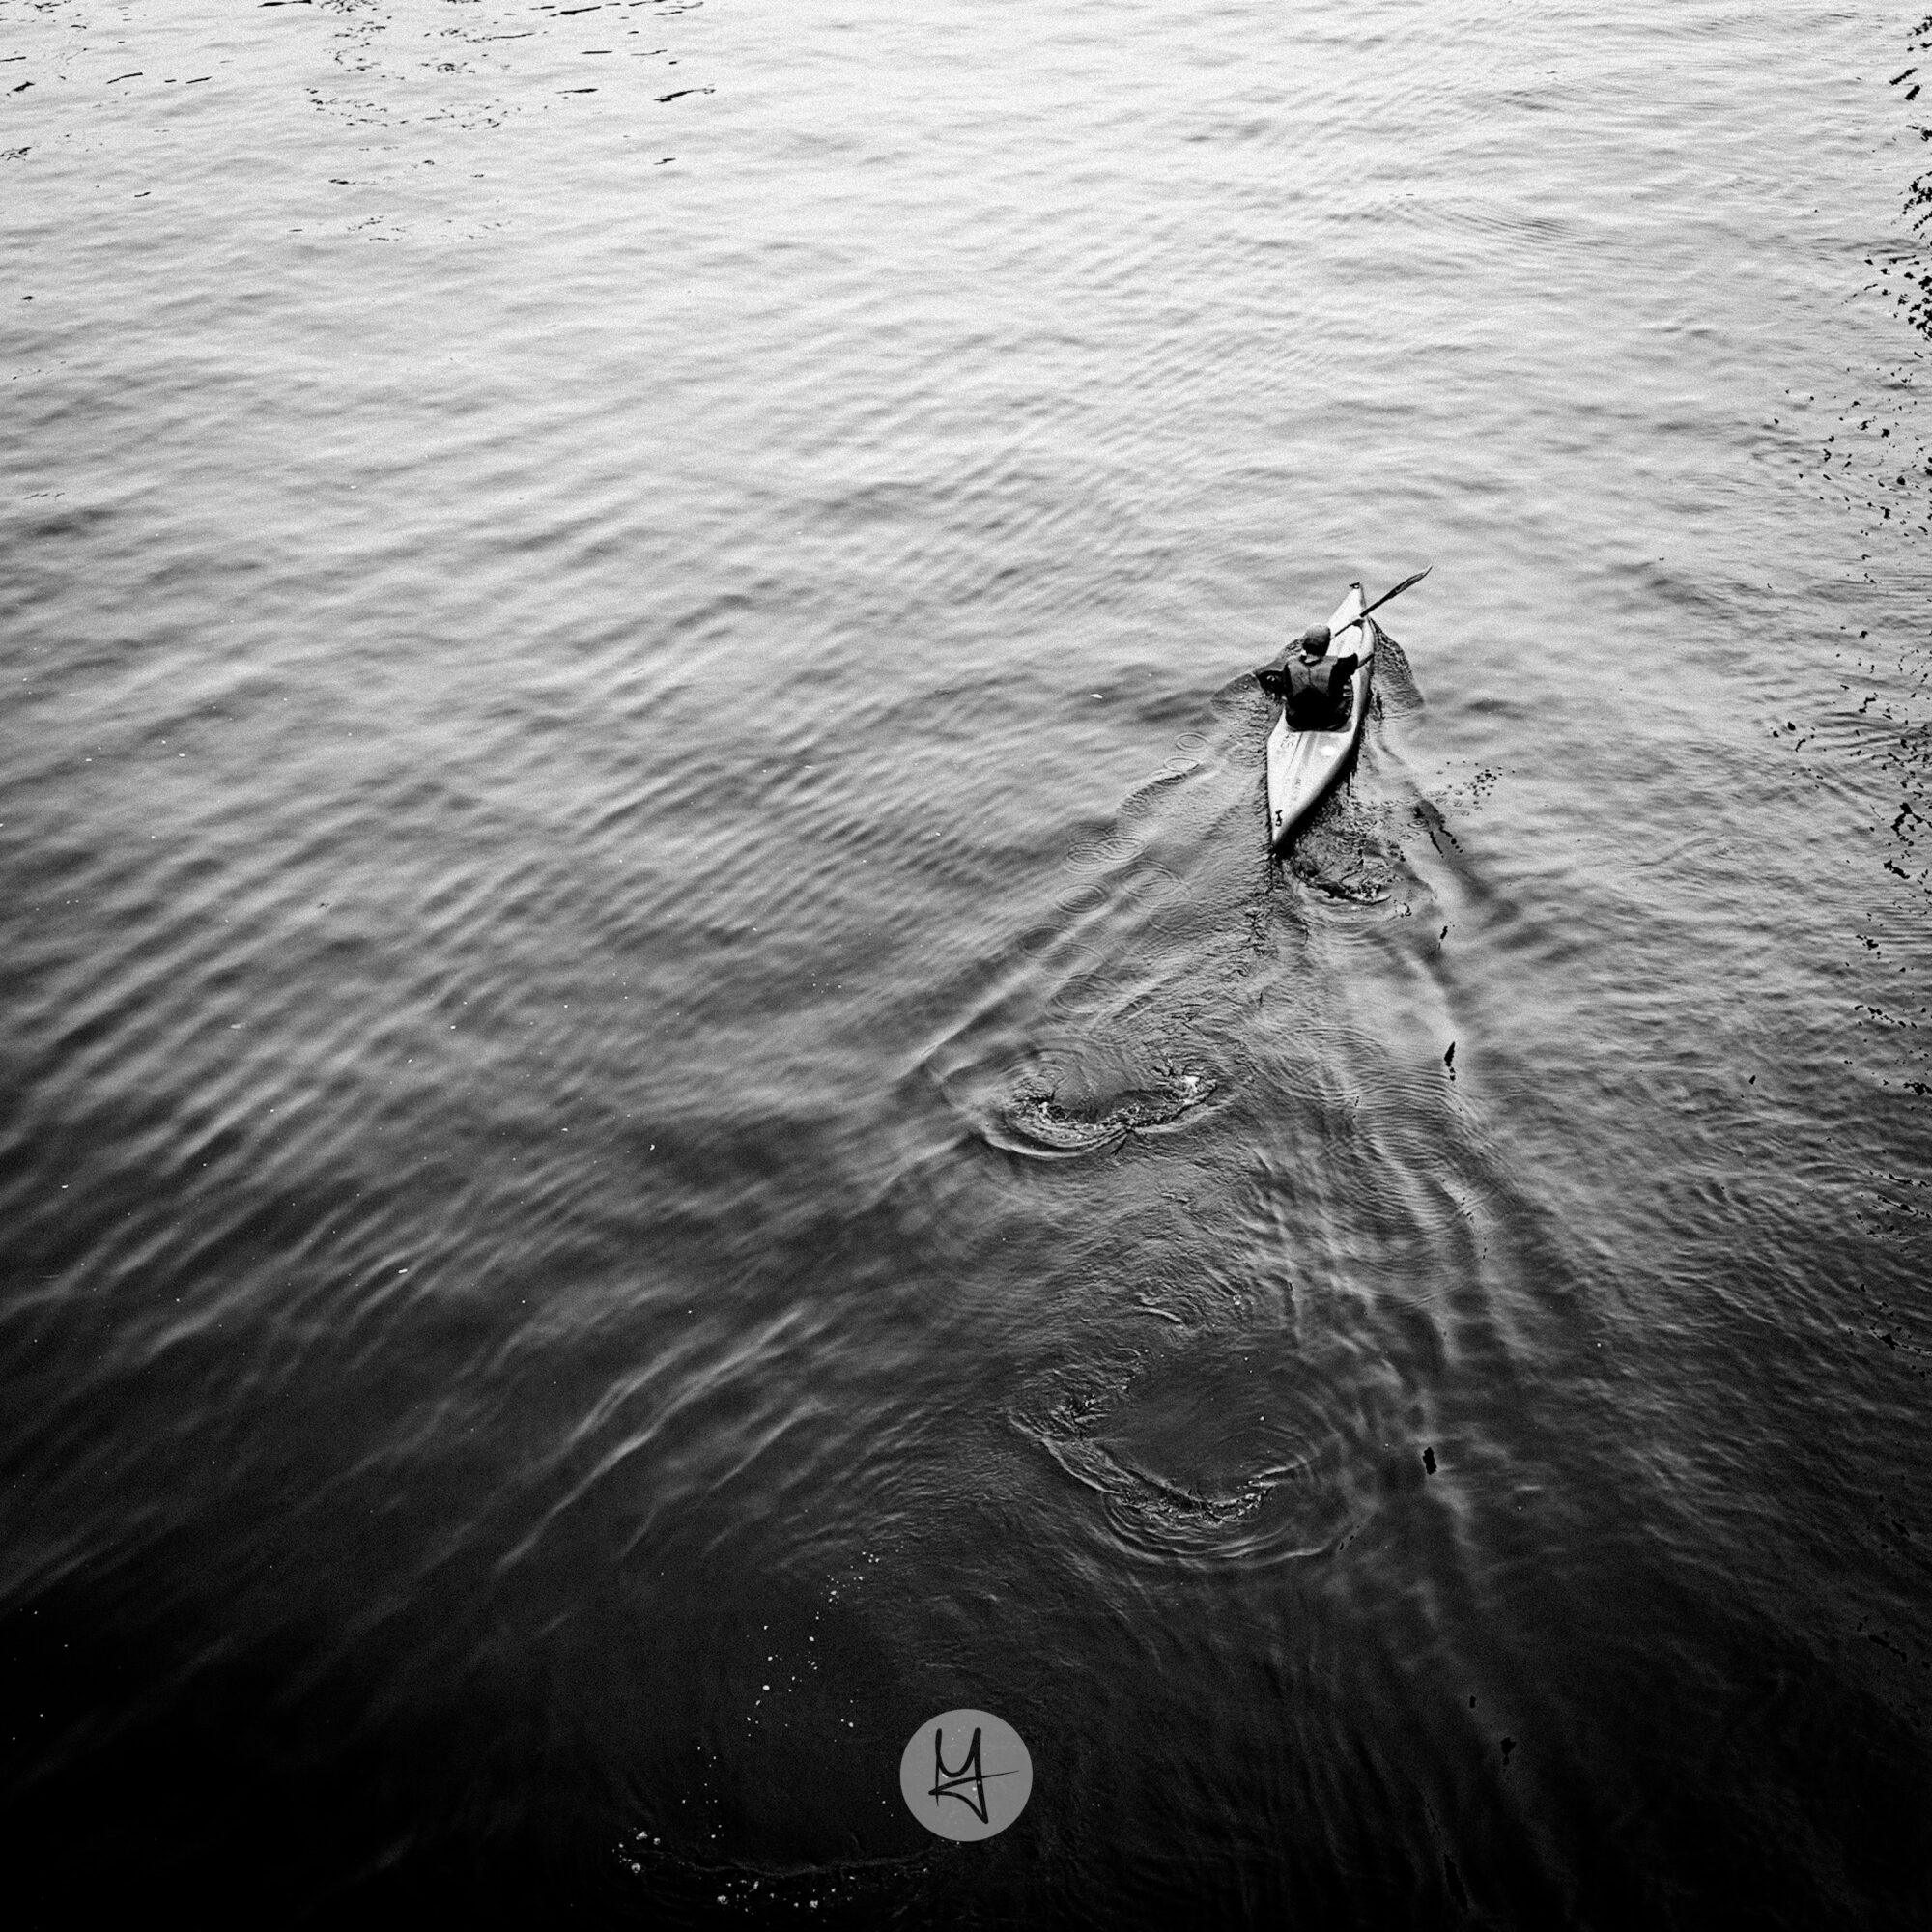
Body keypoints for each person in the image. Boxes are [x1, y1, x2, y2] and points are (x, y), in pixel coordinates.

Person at [1254, 623, 1367, 730]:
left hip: (1296, 722)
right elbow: (1368, 652)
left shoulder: (1290, 665)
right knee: (1344, 679)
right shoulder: (1340, 666)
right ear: (1327, 646)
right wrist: (1363, 625)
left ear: (1304, 645)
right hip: (1332, 721)